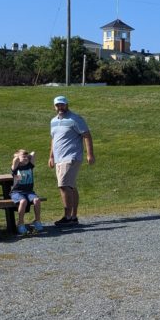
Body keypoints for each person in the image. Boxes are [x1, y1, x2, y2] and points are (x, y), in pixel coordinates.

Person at [48, 96, 94, 226]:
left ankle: (67, 217)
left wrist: (90, 154)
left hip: (71, 157)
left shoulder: (75, 119)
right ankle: (73, 217)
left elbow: (87, 135)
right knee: (71, 186)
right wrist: (51, 156)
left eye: (62, 105)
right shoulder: (53, 121)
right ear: (54, 106)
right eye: (57, 105)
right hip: (59, 158)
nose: (60, 107)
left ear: (67, 105)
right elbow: (54, 139)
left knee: (63, 185)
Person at [11, 149, 44, 235]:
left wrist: (26, 157)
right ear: (18, 158)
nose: (26, 158)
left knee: (37, 200)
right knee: (23, 201)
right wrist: (18, 157)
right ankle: (21, 223)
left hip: (29, 192)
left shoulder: (30, 166)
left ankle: (37, 221)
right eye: (23, 156)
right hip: (17, 192)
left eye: (27, 156)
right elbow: (15, 161)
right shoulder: (16, 168)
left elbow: (33, 153)